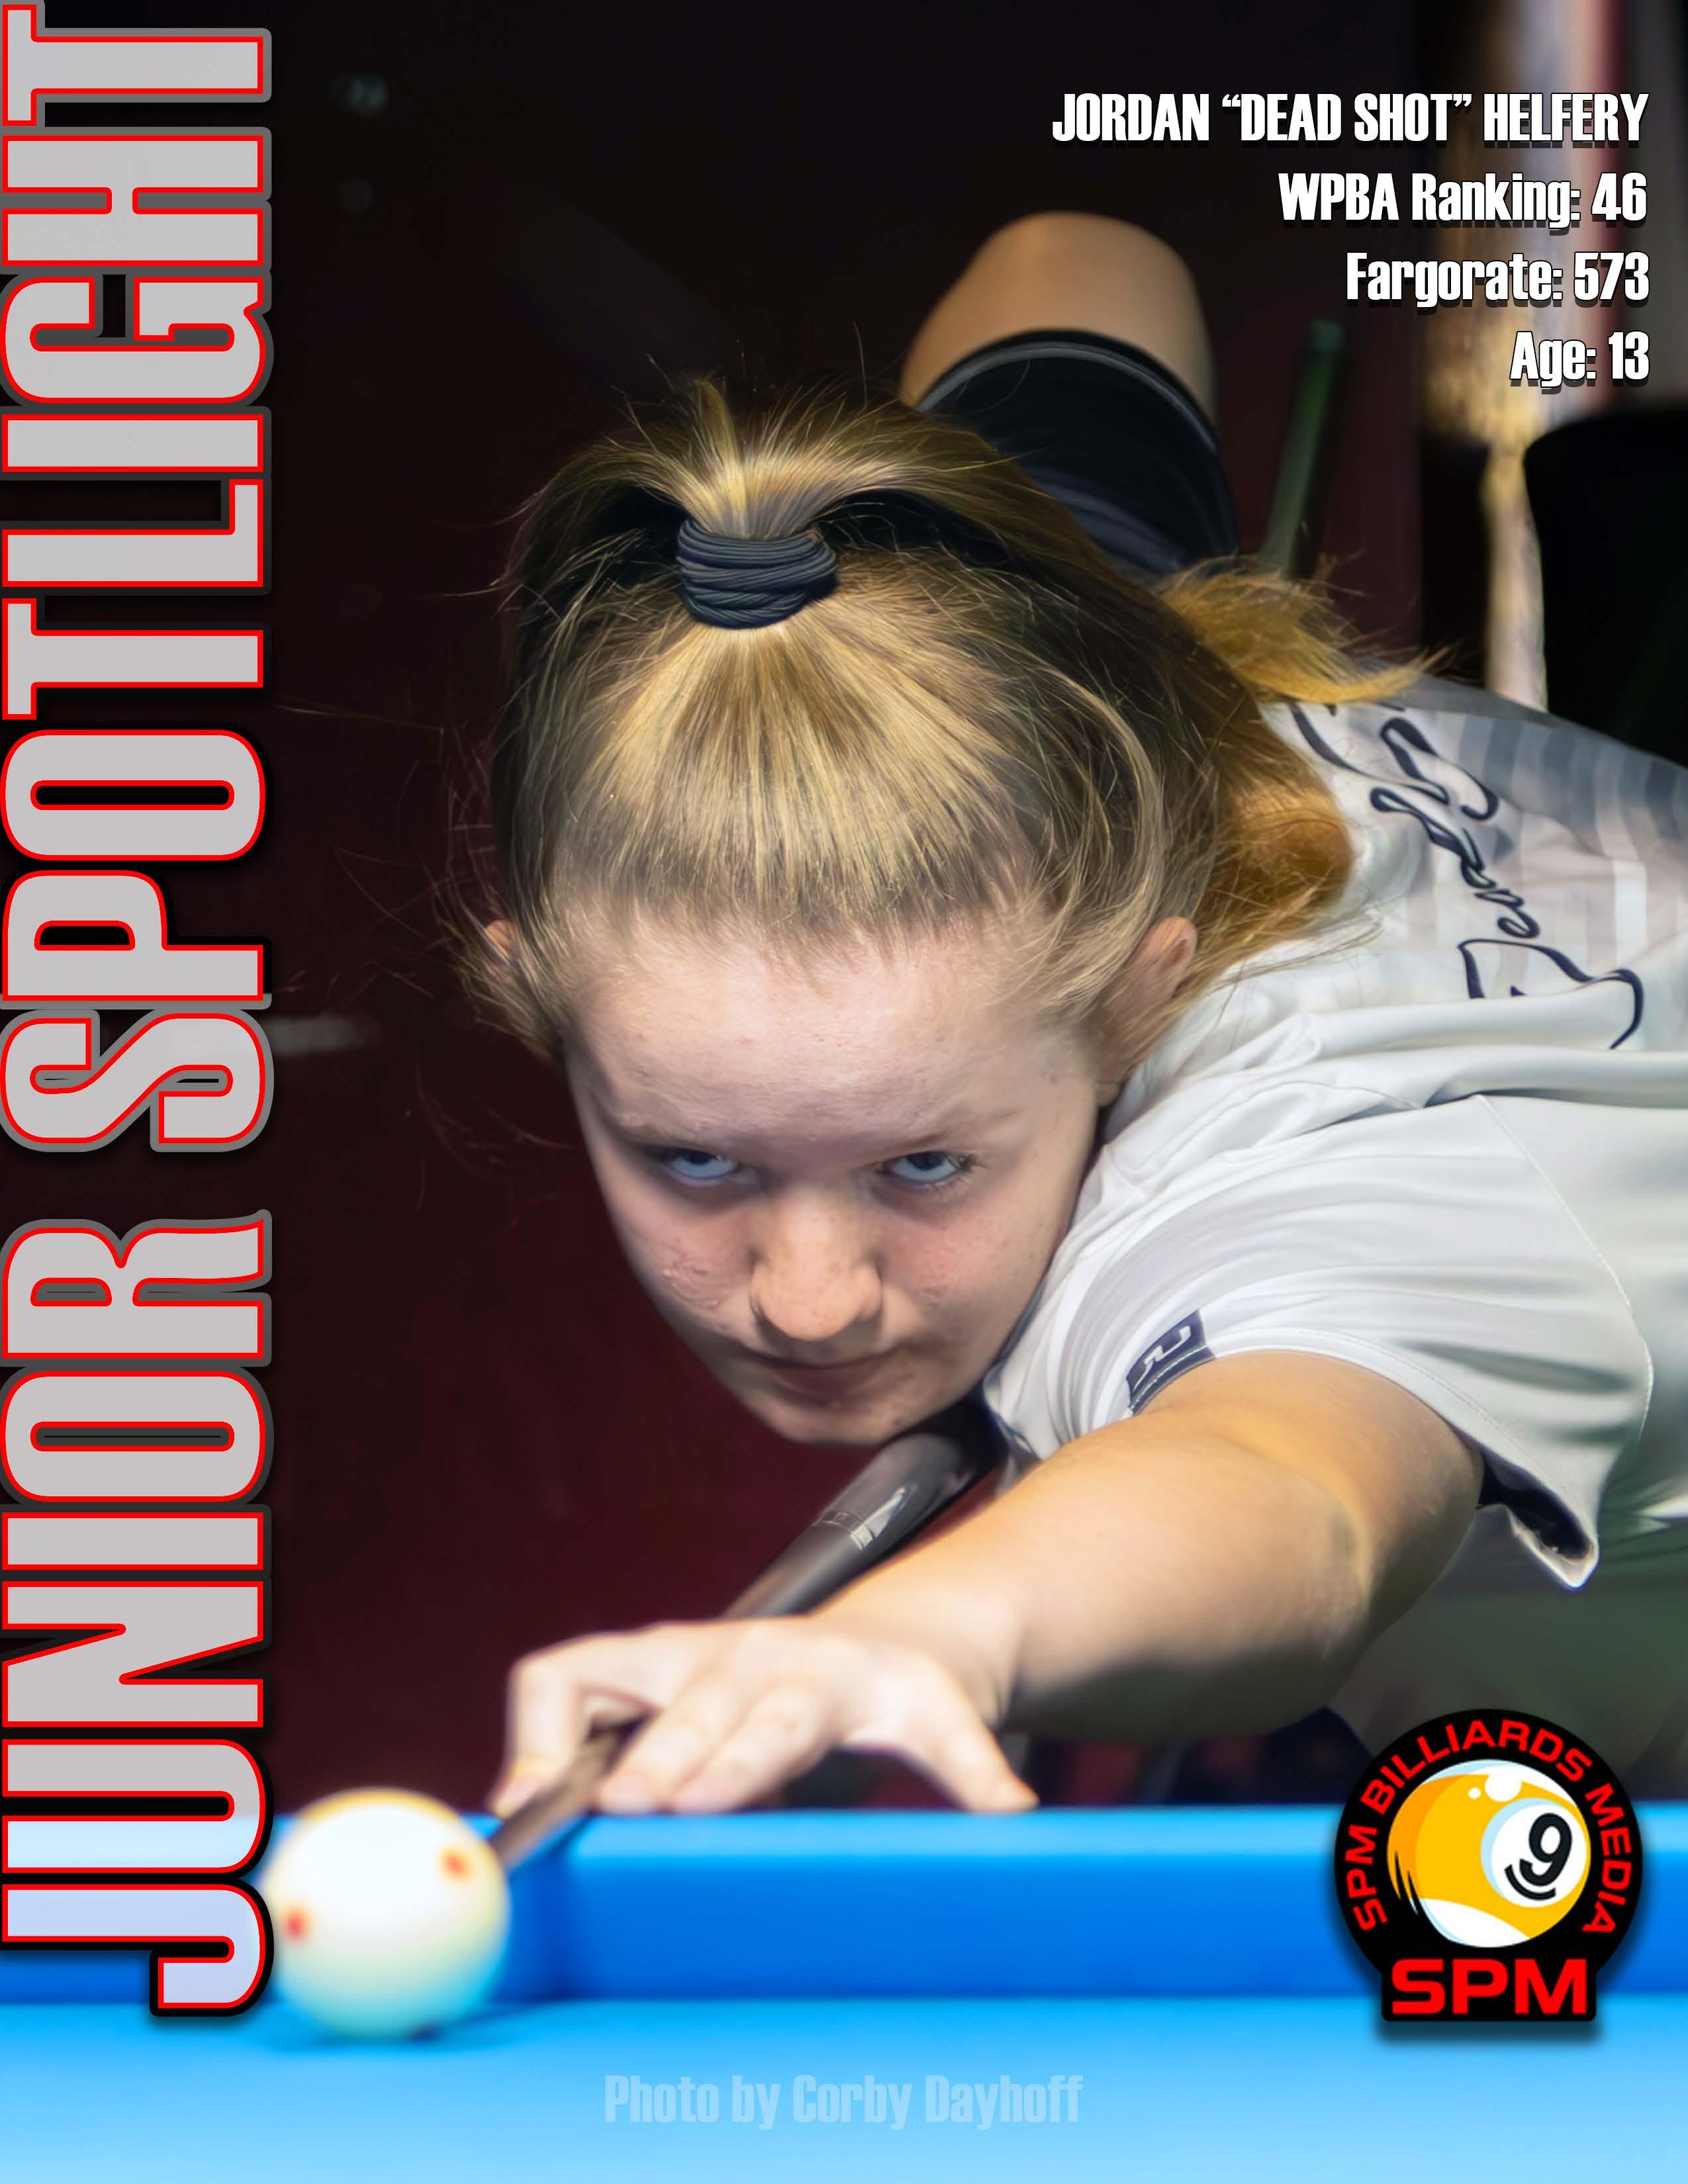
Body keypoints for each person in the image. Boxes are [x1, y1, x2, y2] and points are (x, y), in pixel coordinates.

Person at [468, 214, 1688, 1821]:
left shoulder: (1297, 1180)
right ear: (535, 996)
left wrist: (930, 1635)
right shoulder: (1017, 661)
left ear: (1140, 994)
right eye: (697, 1159)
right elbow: (1080, 265)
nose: (812, 1301)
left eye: (923, 1165)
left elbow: (1294, 1491)